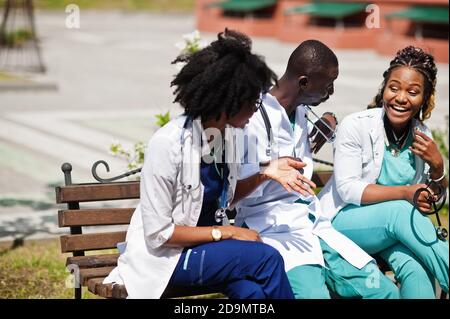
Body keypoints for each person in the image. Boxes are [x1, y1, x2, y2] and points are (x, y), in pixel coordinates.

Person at [103, 29, 304, 299]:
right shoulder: (168, 144)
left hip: (207, 251)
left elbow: (228, 198)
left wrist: (264, 173)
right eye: (253, 101)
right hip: (168, 258)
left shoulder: (227, 137)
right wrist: (226, 232)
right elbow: (159, 235)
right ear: (229, 101)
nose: (257, 109)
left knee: (252, 293)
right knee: (266, 259)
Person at [235, 39, 400, 299]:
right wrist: (266, 171)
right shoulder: (248, 117)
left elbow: (297, 144)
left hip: (316, 225)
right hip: (273, 231)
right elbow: (229, 196)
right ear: (304, 83)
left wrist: (326, 123)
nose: (331, 92)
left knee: (385, 292)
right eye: (328, 85)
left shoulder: (299, 111)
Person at [318, 46, 449, 298]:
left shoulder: (423, 136)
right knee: (400, 211)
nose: (401, 98)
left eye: (412, 92)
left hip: (392, 232)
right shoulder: (356, 125)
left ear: (425, 97)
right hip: (343, 223)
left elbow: (428, 197)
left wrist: (437, 166)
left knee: (417, 270)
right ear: (384, 89)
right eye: (394, 88)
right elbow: (347, 189)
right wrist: (405, 193)